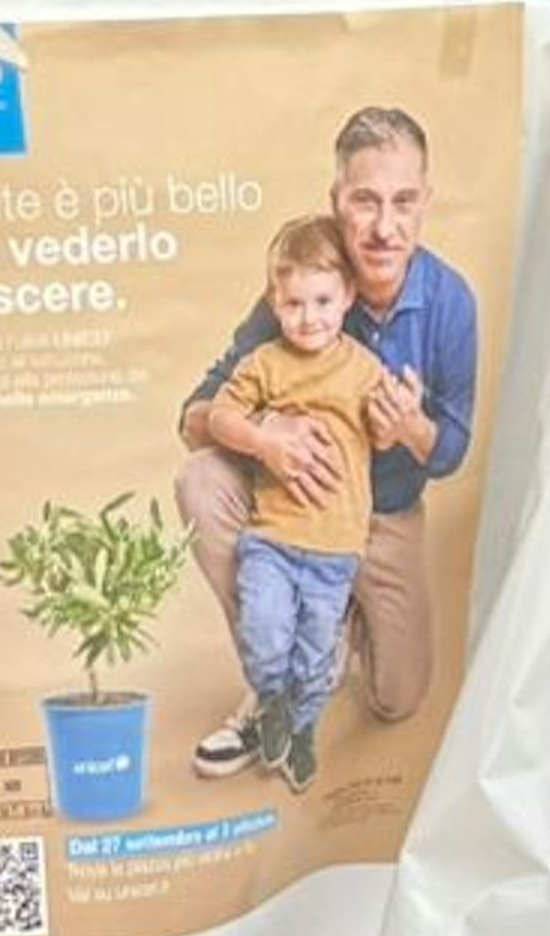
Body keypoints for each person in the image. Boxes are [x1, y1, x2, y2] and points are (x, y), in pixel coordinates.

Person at [172, 102, 484, 773]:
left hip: (382, 517)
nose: (383, 225)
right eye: (365, 200)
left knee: (398, 698)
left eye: (403, 201)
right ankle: (275, 680)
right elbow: (193, 417)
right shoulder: (304, 286)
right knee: (199, 480)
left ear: (425, 202)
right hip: (288, 514)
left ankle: (340, 620)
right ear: (337, 199)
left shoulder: (451, 301)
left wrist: (409, 427)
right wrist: (262, 435)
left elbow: (452, 451)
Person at [203, 216, 413, 790]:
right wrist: (264, 439)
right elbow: (219, 416)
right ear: (275, 300)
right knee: (266, 636)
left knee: (317, 657)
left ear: (346, 297)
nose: (309, 317)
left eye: (322, 300)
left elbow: (385, 436)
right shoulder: (266, 364)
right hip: (272, 539)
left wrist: (401, 412)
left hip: (336, 549)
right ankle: (271, 702)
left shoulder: (364, 370)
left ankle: (298, 731)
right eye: (294, 303)